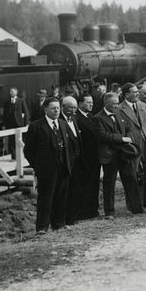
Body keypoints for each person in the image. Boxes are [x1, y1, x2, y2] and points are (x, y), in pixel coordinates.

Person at [24, 97, 76, 233]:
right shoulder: (36, 127)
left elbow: (70, 146)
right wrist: (38, 167)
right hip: (46, 170)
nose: (56, 110)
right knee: (45, 199)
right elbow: (28, 151)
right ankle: (42, 227)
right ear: (45, 109)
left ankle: (58, 224)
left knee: (61, 197)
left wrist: (68, 163)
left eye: (58, 108)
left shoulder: (63, 124)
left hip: (63, 168)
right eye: (53, 108)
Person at [94, 92, 145, 218]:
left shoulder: (119, 113)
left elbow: (127, 128)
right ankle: (109, 212)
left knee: (131, 179)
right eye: (113, 104)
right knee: (109, 183)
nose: (116, 106)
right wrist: (122, 139)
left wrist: (128, 137)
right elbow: (103, 136)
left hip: (123, 153)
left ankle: (136, 208)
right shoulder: (98, 118)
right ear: (105, 103)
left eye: (117, 103)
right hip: (110, 155)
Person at [74, 93, 101, 220]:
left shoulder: (91, 117)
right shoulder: (76, 118)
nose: (91, 104)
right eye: (88, 102)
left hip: (94, 157)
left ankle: (92, 210)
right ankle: (82, 212)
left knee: (94, 183)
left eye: (92, 102)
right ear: (80, 104)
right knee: (84, 185)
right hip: (84, 158)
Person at [59, 96, 83, 224]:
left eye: (75, 108)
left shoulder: (74, 118)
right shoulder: (59, 120)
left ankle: (73, 217)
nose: (73, 110)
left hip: (77, 160)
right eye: (71, 108)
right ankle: (64, 219)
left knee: (75, 188)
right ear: (63, 107)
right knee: (65, 191)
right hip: (66, 162)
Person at [2, 87, 30, 159]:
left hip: (19, 124)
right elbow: (5, 115)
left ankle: (21, 156)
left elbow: (26, 112)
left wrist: (26, 123)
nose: (10, 93)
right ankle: (13, 157)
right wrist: (4, 124)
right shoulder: (7, 103)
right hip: (10, 124)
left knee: (20, 140)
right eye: (10, 91)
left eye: (12, 91)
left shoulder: (21, 101)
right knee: (11, 141)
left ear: (16, 93)